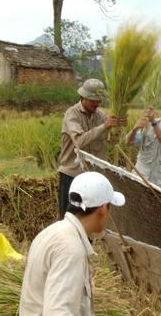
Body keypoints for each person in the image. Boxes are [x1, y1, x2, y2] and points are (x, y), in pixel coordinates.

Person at [19, 172, 126, 315]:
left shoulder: (51, 232)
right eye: (109, 207)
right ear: (102, 208)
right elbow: (57, 312)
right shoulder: (71, 250)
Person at [57, 79, 127, 219]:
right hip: (72, 172)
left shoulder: (101, 116)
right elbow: (79, 141)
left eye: (99, 100)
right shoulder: (72, 114)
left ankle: (86, 241)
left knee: (89, 217)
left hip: (93, 175)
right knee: (68, 217)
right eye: (93, 100)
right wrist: (104, 127)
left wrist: (119, 128)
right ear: (83, 97)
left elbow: (113, 142)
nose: (97, 103)